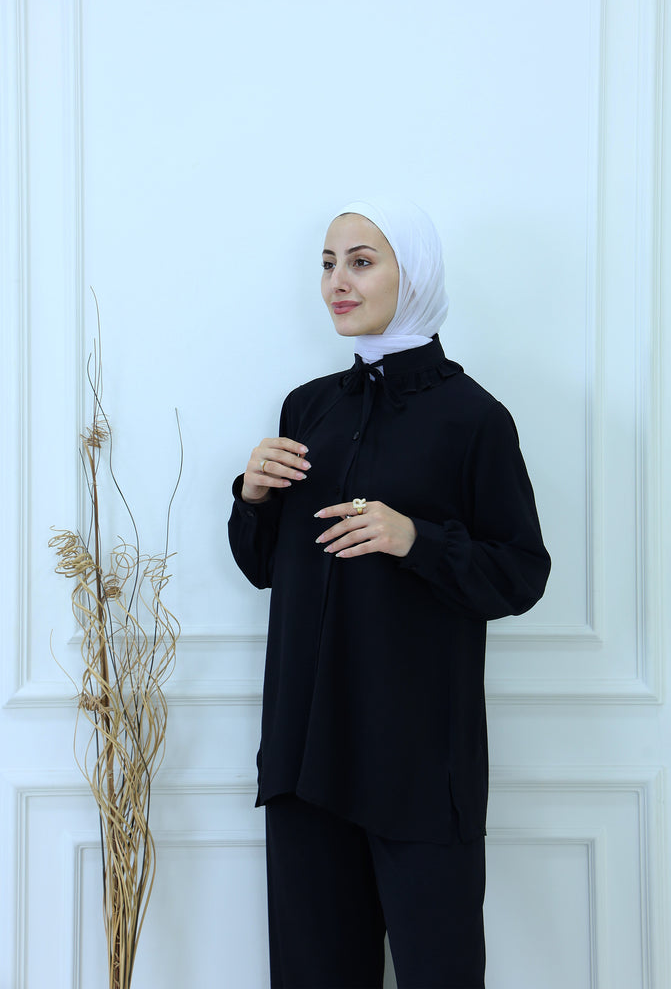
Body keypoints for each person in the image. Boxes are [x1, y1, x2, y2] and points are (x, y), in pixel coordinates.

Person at [228, 198, 551, 989]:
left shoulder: (474, 419)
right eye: (328, 264)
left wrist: (415, 538)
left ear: (416, 274)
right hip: (307, 759)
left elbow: (521, 572)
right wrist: (253, 496)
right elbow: (266, 568)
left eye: (362, 262)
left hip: (417, 766)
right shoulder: (308, 408)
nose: (338, 282)